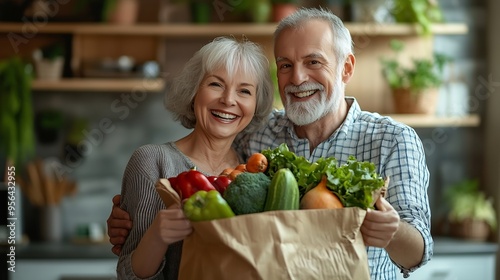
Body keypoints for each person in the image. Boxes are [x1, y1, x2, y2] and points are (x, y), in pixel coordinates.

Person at [108, 8, 432, 280]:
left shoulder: (393, 140)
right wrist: (138, 220)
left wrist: (392, 232)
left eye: (314, 62)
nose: (298, 78)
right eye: (286, 65)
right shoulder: (258, 137)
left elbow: (417, 253)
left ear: (346, 67)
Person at [114, 36, 274, 279]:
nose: (229, 100)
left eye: (244, 90)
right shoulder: (151, 161)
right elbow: (129, 275)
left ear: (255, 104)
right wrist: (157, 235)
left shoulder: (256, 174)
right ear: (193, 91)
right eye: (216, 84)